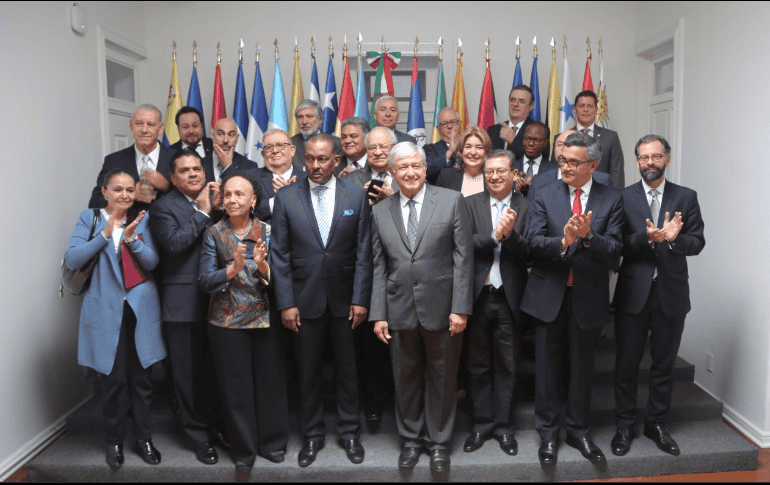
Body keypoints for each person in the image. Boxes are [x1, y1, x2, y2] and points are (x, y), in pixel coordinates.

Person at [520, 132, 623, 466]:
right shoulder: (544, 192)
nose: (564, 166)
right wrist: (562, 242)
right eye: (562, 160)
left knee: (581, 370)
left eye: (573, 162)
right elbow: (532, 242)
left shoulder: (611, 198)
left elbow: (616, 254)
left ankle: (579, 431)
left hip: (588, 296)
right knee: (547, 371)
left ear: (593, 165)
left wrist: (589, 236)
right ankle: (548, 436)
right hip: (548, 293)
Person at [370, 142, 473, 474]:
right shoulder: (379, 211)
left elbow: (463, 259)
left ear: (425, 168)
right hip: (398, 308)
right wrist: (379, 313)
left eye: (416, 165)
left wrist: (460, 307)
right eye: (403, 168)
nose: (411, 172)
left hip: (443, 308)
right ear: (392, 173)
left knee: (442, 378)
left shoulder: (450, 200)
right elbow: (378, 266)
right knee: (406, 378)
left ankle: (439, 443)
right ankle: (411, 440)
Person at [270, 133, 372, 467]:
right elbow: (280, 255)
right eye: (310, 158)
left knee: (348, 371)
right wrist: (286, 302)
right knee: (308, 372)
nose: (315, 165)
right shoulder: (286, 198)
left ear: (337, 159)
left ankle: (350, 434)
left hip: (346, 300)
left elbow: (363, 253)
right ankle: (312, 436)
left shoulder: (356, 196)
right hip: (303, 300)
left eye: (322, 159)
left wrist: (360, 298)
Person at [611, 134, 705, 457]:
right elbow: (616, 243)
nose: (649, 162)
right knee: (626, 364)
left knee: (663, 364)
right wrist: (647, 239)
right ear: (637, 161)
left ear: (667, 159)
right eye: (644, 158)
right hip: (633, 294)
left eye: (656, 156)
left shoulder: (686, 197)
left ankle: (655, 423)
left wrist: (675, 240)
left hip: (671, 293)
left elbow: (698, 242)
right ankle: (625, 423)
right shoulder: (622, 198)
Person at [66, 168, 166, 468]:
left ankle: (144, 438)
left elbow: (152, 262)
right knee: (113, 380)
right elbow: (73, 258)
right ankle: (114, 441)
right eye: (118, 189)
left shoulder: (143, 218)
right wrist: (105, 235)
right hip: (106, 310)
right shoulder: (90, 218)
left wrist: (133, 239)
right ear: (105, 192)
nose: (124, 195)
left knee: (142, 379)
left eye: (129, 190)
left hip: (140, 308)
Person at [198, 171, 289, 472]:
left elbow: (283, 279)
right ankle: (244, 451)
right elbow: (204, 281)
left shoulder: (270, 230)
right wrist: (233, 268)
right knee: (236, 390)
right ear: (222, 201)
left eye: (240, 194)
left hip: (264, 319)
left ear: (254, 200)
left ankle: (272, 443)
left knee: (269, 385)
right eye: (228, 194)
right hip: (227, 324)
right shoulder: (213, 233)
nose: (233, 199)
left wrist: (263, 266)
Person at [149, 148, 229, 465]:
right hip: (181, 305)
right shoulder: (162, 208)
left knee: (212, 370)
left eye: (197, 168)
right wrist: (203, 211)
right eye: (185, 170)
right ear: (173, 177)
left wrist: (216, 209)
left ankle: (215, 426)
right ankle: (197, 436)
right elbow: (175, 244)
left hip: (218, 301)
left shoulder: (218, 201)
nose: (194, 174)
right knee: (186, 375)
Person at [462, 149, 530, 456]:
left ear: (514, 174)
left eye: (501, 171)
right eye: (489, 172)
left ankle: (504, 428)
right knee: (477, 366)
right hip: (477, 297)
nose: (494, 176)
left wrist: (510, 235)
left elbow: (531, 250)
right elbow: (462, 243)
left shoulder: (527, 207)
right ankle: (481, 425)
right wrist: (494, 236)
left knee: (508, 365)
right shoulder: (468, 204)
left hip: (509, 299)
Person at [89, 104, 173, 211]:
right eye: (139, 123)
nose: (144, 130)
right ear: (131, 125)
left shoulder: (176, 158)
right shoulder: (113, 161)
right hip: (127, 226)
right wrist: (130, 194)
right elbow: (95, 202)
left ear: (160, 128)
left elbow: (193, 200)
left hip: (167, 227)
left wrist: (167, 186)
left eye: (151, 124)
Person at [552, 90, 625, 189]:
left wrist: (616, 199)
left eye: (590, 106)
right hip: (568, 193)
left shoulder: (611, 137)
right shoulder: (561, 138)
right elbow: (555, 170)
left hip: (601, 196)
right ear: (574, 109)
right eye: (581, 106)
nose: (586, 110)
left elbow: (617, 173)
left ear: (596, 110)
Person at [527, 129, 611, 203]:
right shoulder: (539, 182)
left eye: (572, 144)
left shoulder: (603, 181)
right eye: (560, 144)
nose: (565, 149)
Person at [210, 118, 270, 219]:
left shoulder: (250, 166)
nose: (225, 140)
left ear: (237, 138)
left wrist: (229, 167)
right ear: (212, 135)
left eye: (231, 135)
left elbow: (250, 205)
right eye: (220, 134)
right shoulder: (198, 164)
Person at [487, 85, 549, 160]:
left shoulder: (539, 130)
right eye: (512, 100)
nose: (515, 104)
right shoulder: (493, 130)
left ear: (530, 106)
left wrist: (513, 141)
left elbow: (542, 160)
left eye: (521, 101)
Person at [254, 129, 307, 215]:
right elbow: (244, 212)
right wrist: (276, 201)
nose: (275, 151)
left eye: (280, 145)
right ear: (263, 154)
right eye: (269, 147)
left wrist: (294, 199)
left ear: (292, 150)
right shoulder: (249, 178)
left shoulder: (309, 179)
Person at [346, 127, 401, 204]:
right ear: (367, 150)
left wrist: (392, 197)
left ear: (394, 148)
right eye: (372, 148)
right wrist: (362, 203)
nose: (378, 152)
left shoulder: (406, 177)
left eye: (383, 146)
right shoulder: (350, 180)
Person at [435, 125, 492, 197]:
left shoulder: (494, 178)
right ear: (461, 151)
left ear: (486, 152)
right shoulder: (446, 176)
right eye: (468, 147)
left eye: (479, 147)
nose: (473, 152)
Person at [289, 100, 343, 172]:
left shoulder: (337, 143)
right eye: (300, 117)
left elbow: (339, 173)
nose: (304, 122)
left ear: (320, 120)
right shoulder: (289, 144)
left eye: (309, 116)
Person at [170, 106, 216, 183]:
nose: (191, 131)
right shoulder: (170, 152)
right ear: (178, 129)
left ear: (201, 126)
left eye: (195, 126)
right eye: (185, 127)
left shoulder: (215, 146)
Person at [514, 121, 558, 197]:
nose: (531, 143)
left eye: (536, 140)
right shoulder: (511, 167)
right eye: (527, 138)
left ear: (545, 142)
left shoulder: (554, 170)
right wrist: (516, 192)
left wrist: (529, 191)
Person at [423, 108, 462, 184]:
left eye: (453, 122)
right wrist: (449, 152)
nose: (450, 126)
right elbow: (425, 170)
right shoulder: (429, 149)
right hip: (442, 193)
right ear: (438, 129)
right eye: (444, 123)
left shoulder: (470, 146)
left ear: (460, 124)